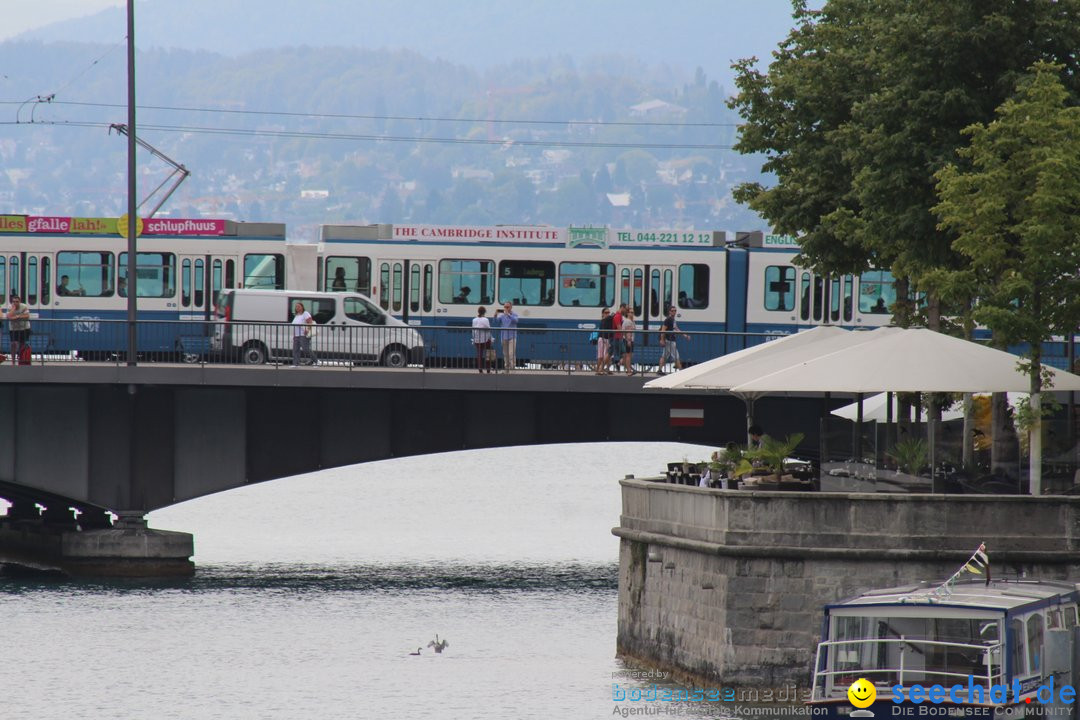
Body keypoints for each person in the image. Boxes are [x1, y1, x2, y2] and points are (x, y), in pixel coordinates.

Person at [657, 305, 690, 373]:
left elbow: (676, 329)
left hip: (670, 340)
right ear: (669, 312)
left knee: (664, 356)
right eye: (672, 311)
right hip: (669, 340)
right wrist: (662, 340)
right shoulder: (668, 320)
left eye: (675, 311)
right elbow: (663, 330)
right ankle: (681, 371)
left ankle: (659, 370)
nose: (674, 312)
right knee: (676, 355)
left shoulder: (673, 320)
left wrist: (685, 335)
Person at [494, 301, 519, 374]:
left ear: (511, 307)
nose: (506, 308)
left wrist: (508, 315)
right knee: (505, 354)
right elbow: (496, 321)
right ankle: (507, 369)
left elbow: (516, 321)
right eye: (505, 307)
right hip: (504, 336)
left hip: (512, 337)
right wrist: (495, 315)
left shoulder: (514, 314)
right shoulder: (502, 315)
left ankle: (512, 369)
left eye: (507, 307)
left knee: (511, 353)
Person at [6, 295, 30, 365]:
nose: (15, 303)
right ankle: (13, 361)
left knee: (22, 344)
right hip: (13, 329)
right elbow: (9, 316)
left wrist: (17, 316)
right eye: (13, 302)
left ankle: (21, 360)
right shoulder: (10, 307)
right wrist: (13, 309)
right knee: (13, 344)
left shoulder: (24, 306)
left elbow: (27, 316)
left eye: (17, 301)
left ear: (20, 302)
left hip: (24, 328)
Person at [291, 300, 316, 366]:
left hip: (303, 334)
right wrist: (294, 335)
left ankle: (316, 361)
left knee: (306, 349)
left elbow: (310, 322)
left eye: (299, 306)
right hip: (296, 335)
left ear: (302, 307)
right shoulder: (296, 315)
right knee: (295, 350)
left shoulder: (305, 313)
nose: (297, 308)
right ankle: (296, 363)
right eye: (296, 307)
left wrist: (307, 329)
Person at [472, 306, 493, 373]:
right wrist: (491, 338)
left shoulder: (474, 320)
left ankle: (480, 369)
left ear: (478, 312)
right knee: (488, 353)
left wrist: (473, 338)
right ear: (484, 312)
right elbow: (488, 330)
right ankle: (488, 369)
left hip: (477, 339)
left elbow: (473, 330)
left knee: (479, 354)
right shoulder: (486, 319)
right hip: (486, 339)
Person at [595, 307, 613, 374]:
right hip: (603, 339)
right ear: (603, 314)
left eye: (608, 312)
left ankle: (607, 369)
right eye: (606, 312)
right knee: (601, 356)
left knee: (608, 356)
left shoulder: (607, 320)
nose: (608, 314)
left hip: (607, 339)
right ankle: (598, 370)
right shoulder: (603, 320)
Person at [621, 309, 637, 376]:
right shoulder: (628, 321)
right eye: (631, 312)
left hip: (629, 340)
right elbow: (628, 332)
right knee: (628, 355)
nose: (632, 314)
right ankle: (628, 370)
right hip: (628, 340)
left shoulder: (631, 321)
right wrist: (629, 341)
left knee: (629, 355)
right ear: (627, 313)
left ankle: (622, 364)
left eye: (633, 312)